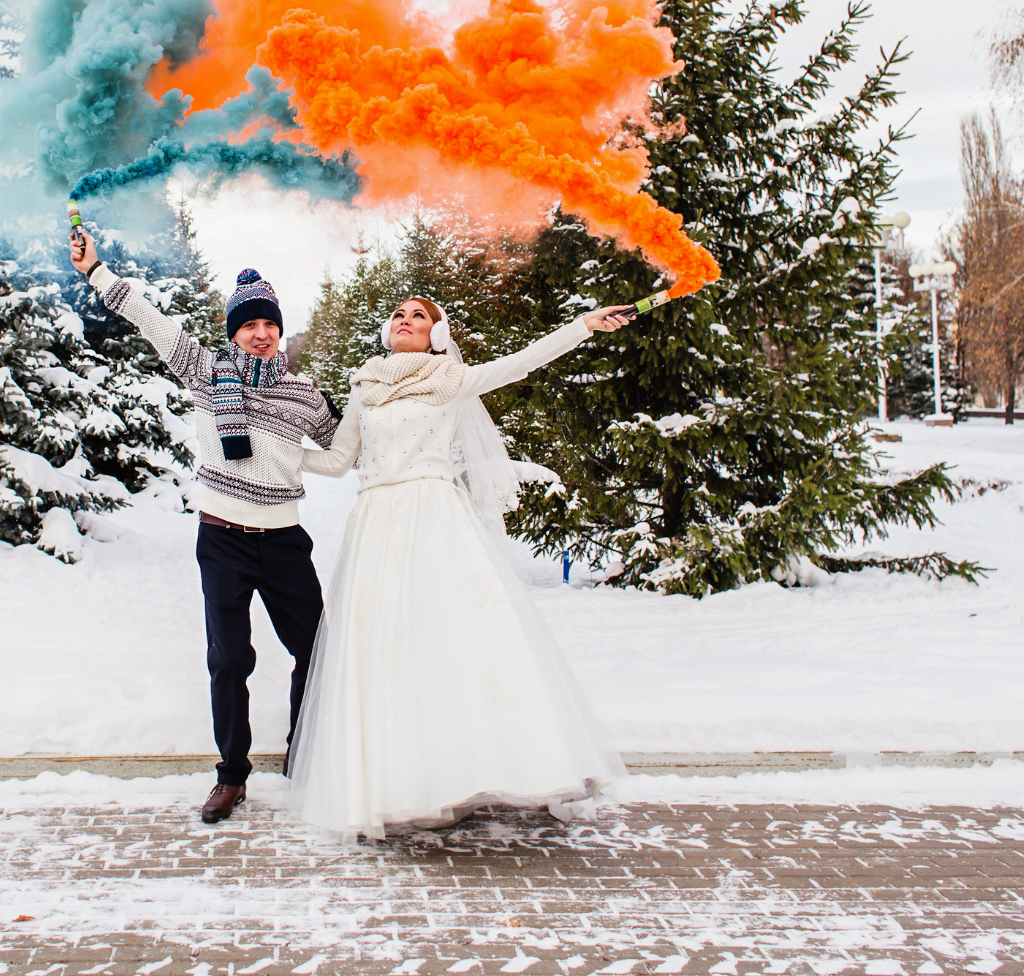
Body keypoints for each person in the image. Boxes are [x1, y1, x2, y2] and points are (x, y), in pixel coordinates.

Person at [291, 293, 638, 839]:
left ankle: (479, 767)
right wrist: (276, 453)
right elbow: (338, 460)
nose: (406, 321)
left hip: (433, 519)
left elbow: (523, 360)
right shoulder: (366, 386)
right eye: (399, 315)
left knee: (450, 640)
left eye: (419, 316)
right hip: (377, 523)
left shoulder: (452, 379)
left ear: (436, 332)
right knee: (382, 649)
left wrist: (583, 327)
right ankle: (396, 783)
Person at [69, 227, 342, 824]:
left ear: (279, 330)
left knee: (317, 652)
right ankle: (232, 776)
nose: (261, 334)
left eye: (270, 324)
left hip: (286, 543)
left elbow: (349, 445)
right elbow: (153, 321)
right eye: (249, 325)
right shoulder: (206, 371)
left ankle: (308, 749)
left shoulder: (303, 392)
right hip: (222, 540)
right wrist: (96, 272)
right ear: (234, 331)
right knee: (229, 660)